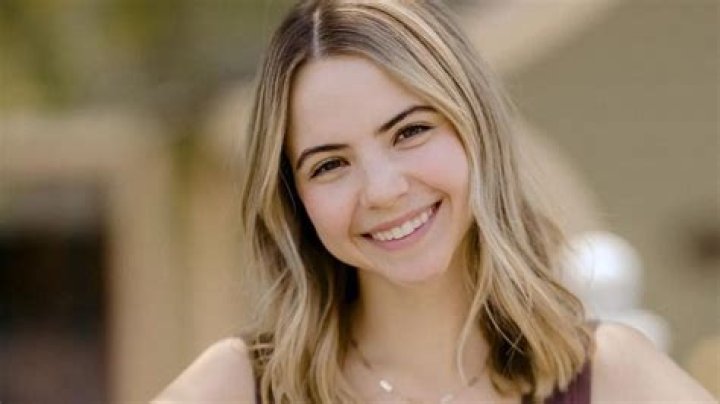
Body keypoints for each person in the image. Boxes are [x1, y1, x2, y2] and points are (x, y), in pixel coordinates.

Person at [154, 1, 715, 403]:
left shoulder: (611, 377)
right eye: (329, 165)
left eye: (410, 132)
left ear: (475, 131)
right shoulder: (239, 386)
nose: (383, 190)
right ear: (294, 199)